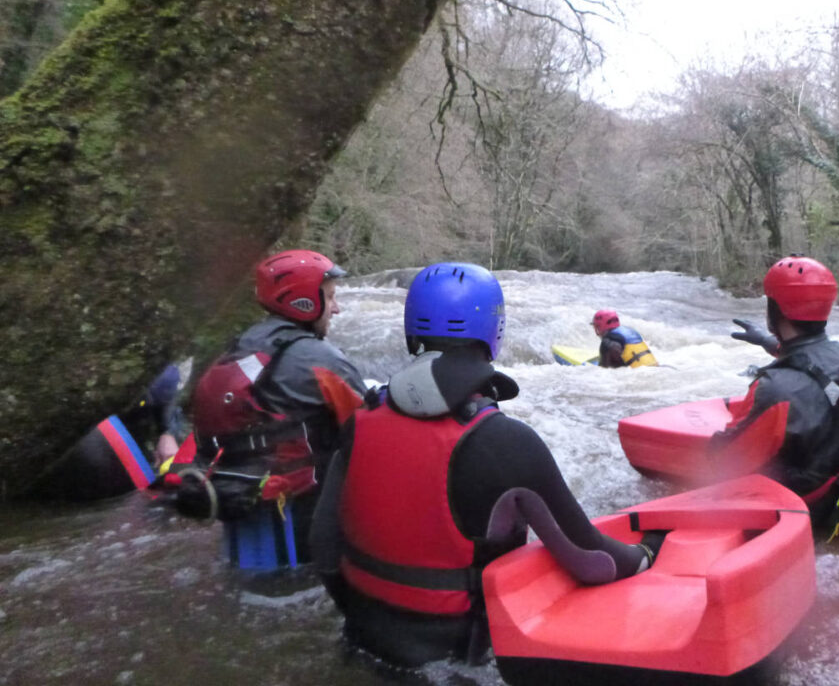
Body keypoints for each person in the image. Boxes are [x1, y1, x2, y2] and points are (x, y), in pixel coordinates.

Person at [311, 262, 662, 667]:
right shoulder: (506, 442)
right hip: (457, 658)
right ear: (494, 332)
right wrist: (649, 552)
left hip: (364, 639)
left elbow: (322, 546)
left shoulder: (360, 423)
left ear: (412, 331)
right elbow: (594, 563)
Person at [176, 248, 367, 562]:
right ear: (304, 302)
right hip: (298, 518)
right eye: (330, 297)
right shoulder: (321, 360)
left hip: (237, 504)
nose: (337, 309)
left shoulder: (241, 346)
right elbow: (368, 427)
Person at [729, 254, 839, 537]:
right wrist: (768, 342)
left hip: (801, 503)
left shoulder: (772, 390)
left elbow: (728, 460)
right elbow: (812, 368)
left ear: (775, 310)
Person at [591, 309, 658, 368]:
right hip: (655, 368)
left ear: (601, 326)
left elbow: (605, 371)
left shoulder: (608, 342)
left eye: (597, 326)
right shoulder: (631, 332)